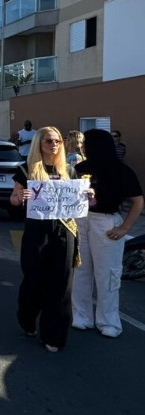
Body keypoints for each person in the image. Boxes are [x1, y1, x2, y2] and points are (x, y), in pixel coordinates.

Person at [10, 127, 85, 352]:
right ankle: (27, 317)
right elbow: (13, 199)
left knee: (62, 284)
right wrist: (19, 197)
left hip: (65, 231)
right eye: (48, 141)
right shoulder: (26, 169)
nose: (54, 145)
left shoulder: (69, 170)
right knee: (34, 280)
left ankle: (54, 335)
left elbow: (80, 200)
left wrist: (88, 196)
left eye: (57, 141)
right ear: (38, 144)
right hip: (37, 232)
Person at [73, 129, 143, 338]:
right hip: (81, 220)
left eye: (86, 143)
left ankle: (109, 321)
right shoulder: (80, 168)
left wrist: (124, 228)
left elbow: (138, 201)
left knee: (107, 274)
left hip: (106, 222)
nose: (83, 146)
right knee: (80, 271)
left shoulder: (121, 170)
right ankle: (81, 316)